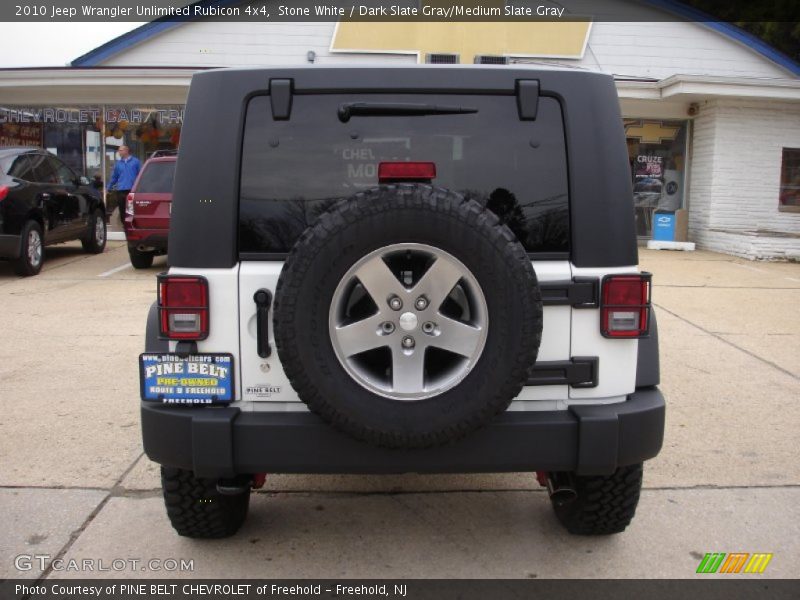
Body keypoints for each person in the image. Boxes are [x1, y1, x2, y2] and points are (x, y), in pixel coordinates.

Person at [107, 145, 141, 227]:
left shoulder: (135, 162)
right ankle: (125, 226)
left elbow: (140, 175)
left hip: (131, 190)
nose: (119, 152)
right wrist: (108, 187)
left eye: (121, 150)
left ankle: (132, 226)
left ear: (126, 150)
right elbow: (114, 177)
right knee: (122, 209)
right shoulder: (118, 164)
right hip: (121, 190)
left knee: (130, 209)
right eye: (119, 150)